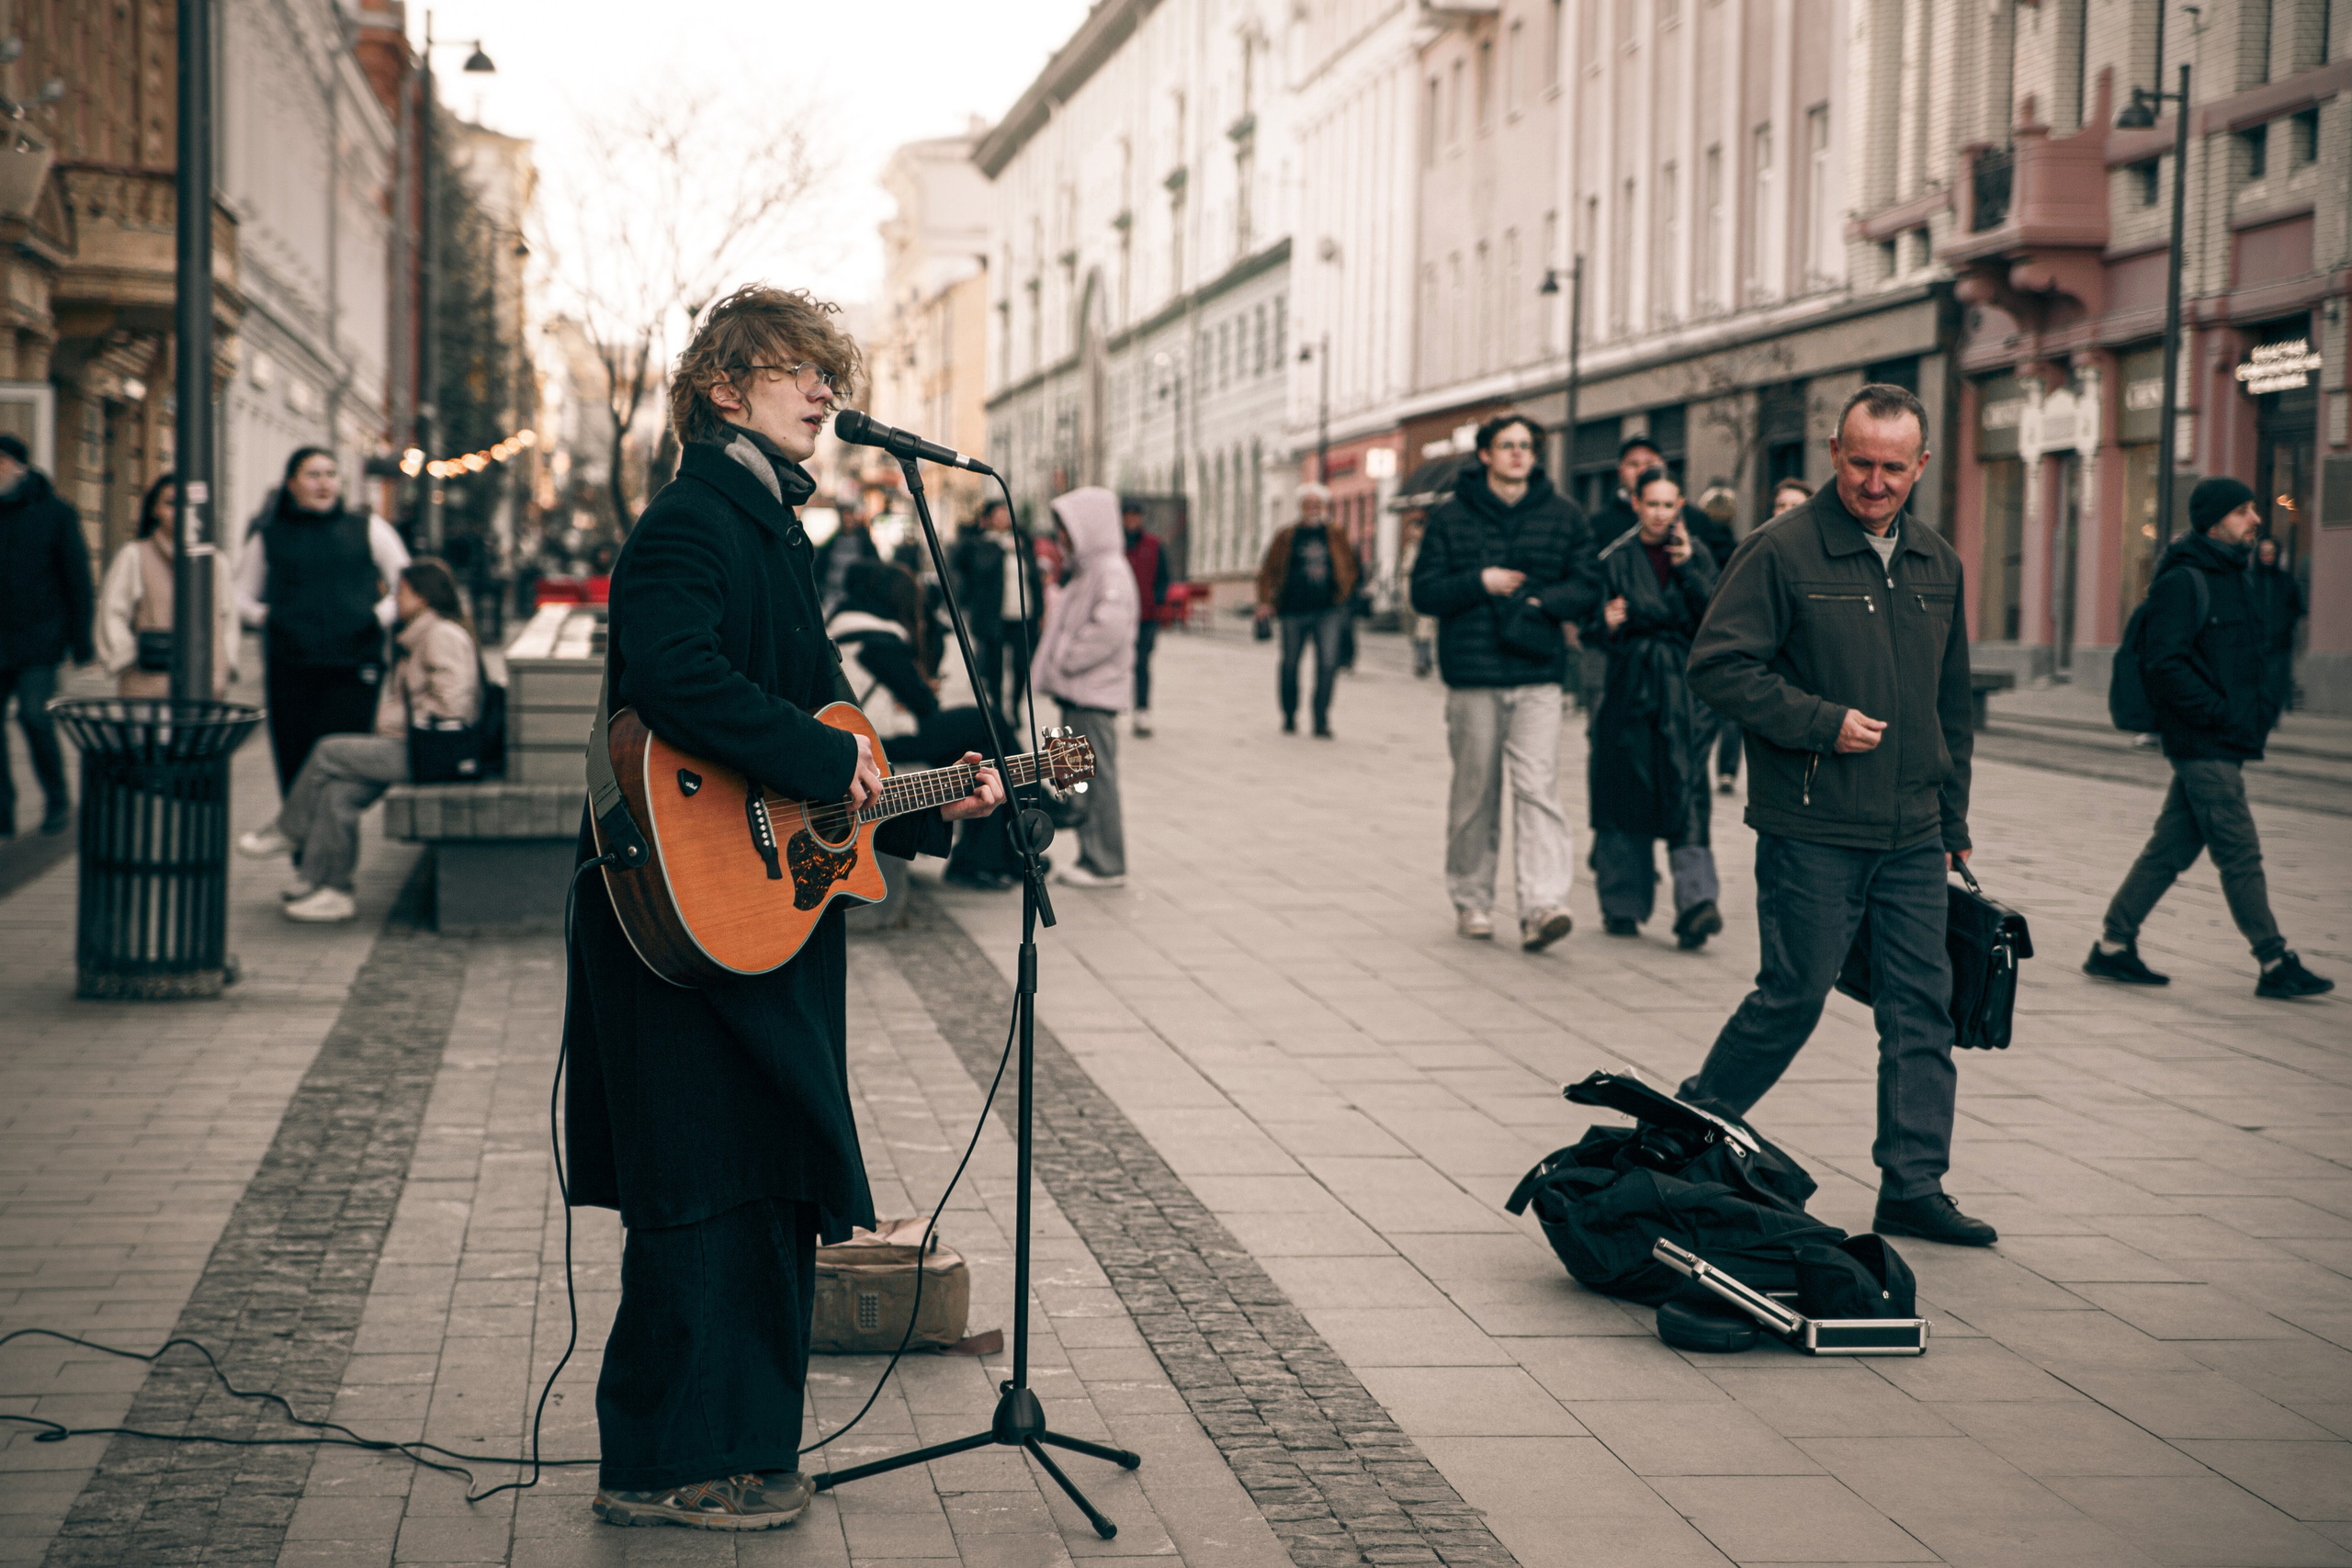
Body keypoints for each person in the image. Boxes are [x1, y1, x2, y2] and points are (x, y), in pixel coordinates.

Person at [563, 284, 1004, 1533]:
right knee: (701, 1184)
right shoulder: (691, 524)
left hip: (765, 915)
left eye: (828, 370)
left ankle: (744, 1447)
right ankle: (658, 1463)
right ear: (724, 389)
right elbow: (676, 675)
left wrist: (925, 800)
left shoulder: (769, 530)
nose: (825, 390)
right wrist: (822, 765)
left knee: (766, 1185)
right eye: (796, 370)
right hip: (686, 919)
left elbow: (832, 743)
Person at [1679, 384, 1996, 1247]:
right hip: (1812, 825)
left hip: (1912, 831)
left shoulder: (1938, 562)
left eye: (1895, 467)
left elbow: (1949, 703)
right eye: (1860, 462)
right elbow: (1718, 665)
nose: (1875, 481)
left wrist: (1952, 815)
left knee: (1923, 1008)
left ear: (1922, 466)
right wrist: (1822, 723)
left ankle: (1914, 1183)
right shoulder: (1780, 551)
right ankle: (1687, 1128)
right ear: (1833, 452)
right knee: (1793, 994)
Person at [2085, 479, 2332, 1000]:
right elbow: (2164, 662)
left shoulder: (2233, 575)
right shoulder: (2185, 580)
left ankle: (2112, 945)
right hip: (2203, 743)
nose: (2256, 520)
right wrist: (2215, 714)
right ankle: (2273, 959)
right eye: (2243, 512)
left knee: (2169, 849)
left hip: (2224, 738)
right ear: (2214, 521)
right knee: (2240, 851)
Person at [1408, 414, 1600, 952]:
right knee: (1476, 791)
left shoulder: (1563, 516)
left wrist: (1545, 601)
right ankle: (1472, 899)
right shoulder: (1451, 517)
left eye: (1526, 446)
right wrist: (1480, 581)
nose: (1518, 454)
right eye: (1507, 446)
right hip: (1473, 676)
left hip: (1537, 672)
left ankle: (1543, 906)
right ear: (1486, 455)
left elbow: (1588, 582)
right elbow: (1423, 592)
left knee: (1537, 788)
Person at [237, 559, 479, 922]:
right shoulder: (420, 635)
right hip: (414, 747)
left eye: (403, 591)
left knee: (328, 750)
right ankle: (330, 889)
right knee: (338, 794)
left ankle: (288, 831)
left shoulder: (441, 635)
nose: (395, 598)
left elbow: (454, 702)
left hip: (430, 751)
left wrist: (400, 720)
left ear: (424, 597)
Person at [1586, 468, 1723, 949]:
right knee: (1625, 787)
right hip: (1630, 686)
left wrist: (1688, 569)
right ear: (1637, 505)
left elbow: (1720, 618)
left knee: (1687, 791)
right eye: (1652, 504)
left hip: (1684, 693)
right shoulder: (1616, 558)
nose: (1661, 514)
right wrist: (1604, 622)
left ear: (1680, 505)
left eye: (1669, 505)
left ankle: (1696, 904)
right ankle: (1622, 902)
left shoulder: (1696, 554)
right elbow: (1591, 625)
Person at [235, 446, 411, 795]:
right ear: (291, 484)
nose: (324, 483)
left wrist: (377, 617)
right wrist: (270, 617)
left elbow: (406, 581)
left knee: (343, 769)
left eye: (330, 474)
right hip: (291, 669)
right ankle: (301, 848)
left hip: (354, 669)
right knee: (296, 766)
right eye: (312, 475)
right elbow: (239, 594)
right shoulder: (271, 535)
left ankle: (333, 848)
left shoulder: (366, 527)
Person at [1031, 485, 1138, 888]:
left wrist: (1066, 658)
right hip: (1081, 690)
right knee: (1079, 776)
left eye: (1067, 529)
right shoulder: (1093, 568)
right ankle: (1092, 853)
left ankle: (1106, 862)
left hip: (1092, 691)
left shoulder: (1109, 570)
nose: (1062, 538)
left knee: (1096, 777)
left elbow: (1108, 629)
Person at [0, 433, 94, 837]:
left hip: (40, 637)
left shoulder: (55, 512)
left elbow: (77, 579)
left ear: (17, 466)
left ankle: (57, 799)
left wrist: (81, 639)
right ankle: (2, 809)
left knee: (35, 716)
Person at [96, 473, 238, 699]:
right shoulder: (134, 556)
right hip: (148, 686)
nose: (180, 512)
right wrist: (128, 653)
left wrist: (225, 663)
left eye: (187, 504)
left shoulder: (216, 563)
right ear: (155, 509)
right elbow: (111, 613)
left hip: (205, 687)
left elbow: (227, 618)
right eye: (171, 503)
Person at [1254, 484, 1358, 737]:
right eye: (1308, 504)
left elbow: (1351, 567)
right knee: (1290, 664)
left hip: (1328, 610)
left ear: (1324, 508)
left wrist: (1345, 597)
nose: (1313, 509)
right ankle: (1289, 715)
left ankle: (1321, 720)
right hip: (1292, 610)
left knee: (1327, 664)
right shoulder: (1286, 536)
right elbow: (1267, 571)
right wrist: (1264, 602)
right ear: (1300, 507)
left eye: (1317, 504)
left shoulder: (1336, 535)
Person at [949, 499, 1040, 722]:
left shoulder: (1022, 541)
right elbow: (978, 569)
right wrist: (999, 548)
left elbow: (1034, 577)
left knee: (1022, 665)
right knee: (995, 669)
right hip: (993, 617)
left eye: (1006, 514)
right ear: (988, 519)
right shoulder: (979, 544)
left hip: (1023, 614)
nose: (1003, 519)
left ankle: (1015, 706)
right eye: (998, 514)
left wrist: (1040, 610)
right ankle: (998, 711)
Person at [1593, 435, 1736, 570]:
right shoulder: (1599, 525)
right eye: (1633, 464)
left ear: (1663, 466)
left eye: (1650, 463)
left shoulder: (1695, 520)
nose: (1642, 470)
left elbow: (1725, 566)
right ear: (1620, 471)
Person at [1696, 482, 1746, 795]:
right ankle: (1727, 771)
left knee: (1700, 705)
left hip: (1699, 633)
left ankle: (1696, 760)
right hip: (1731, 635)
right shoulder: (1740, 549)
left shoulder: (1694, 549)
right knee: (1731, 711)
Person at [1123, 501, 1170, 736]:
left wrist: (1156, 600)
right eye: (1128, 516)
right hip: (1120, 618)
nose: (1132, 521)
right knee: (1120, 664)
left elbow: (1163, 577)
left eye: (1135, 516)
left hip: (1146, 616)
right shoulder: (1116, 545)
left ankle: (1142, 710)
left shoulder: (1153, 545)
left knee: (1142, 664)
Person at [2250, 535, 2305, 725]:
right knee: (2255, 681)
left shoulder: (2286, 581)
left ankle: (2271, 716)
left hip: (2279, 643)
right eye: (2264, 552)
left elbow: (2298, 607)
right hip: (2253, 641)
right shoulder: (2248, 579)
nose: (2267, 556)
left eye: (2271, 552)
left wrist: (2285, 624)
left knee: (2275, 682)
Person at [812, 505, 879, 615]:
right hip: (831, 597)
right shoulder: (830, 543)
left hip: (858, 599)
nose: (847, 520)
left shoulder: (864, 542)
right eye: (844, 517)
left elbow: (874, 566)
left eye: (850, 516)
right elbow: (819, 569)